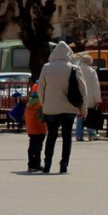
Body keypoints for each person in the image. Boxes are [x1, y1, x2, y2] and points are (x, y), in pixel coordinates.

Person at [38, 42, 87, 174]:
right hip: (69, 108)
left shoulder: (46, 68)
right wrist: (83, 110)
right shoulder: (74, 69)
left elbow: (40, 89)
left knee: (51, 136)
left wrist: (44, 105)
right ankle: (64, 164)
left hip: (51, 109)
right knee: (67, 137)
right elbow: (83, 91)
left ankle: (47, 164)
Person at [76, 54, 102, 142]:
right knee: (90, 115)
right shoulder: (91, 71)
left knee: (80, 115)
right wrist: (97, 99)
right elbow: (95, 86)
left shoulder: (76, 69)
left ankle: (79, 135)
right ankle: (92, 134)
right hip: (90, 97)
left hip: (79, 96)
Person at [25, 82, 47, 172]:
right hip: (39, 129)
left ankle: (30, 164)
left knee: (32, 147)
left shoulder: (29, 104)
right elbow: (42, 117)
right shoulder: (40, 105)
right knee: (38, 148)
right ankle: (36, 164)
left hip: (31, 129)